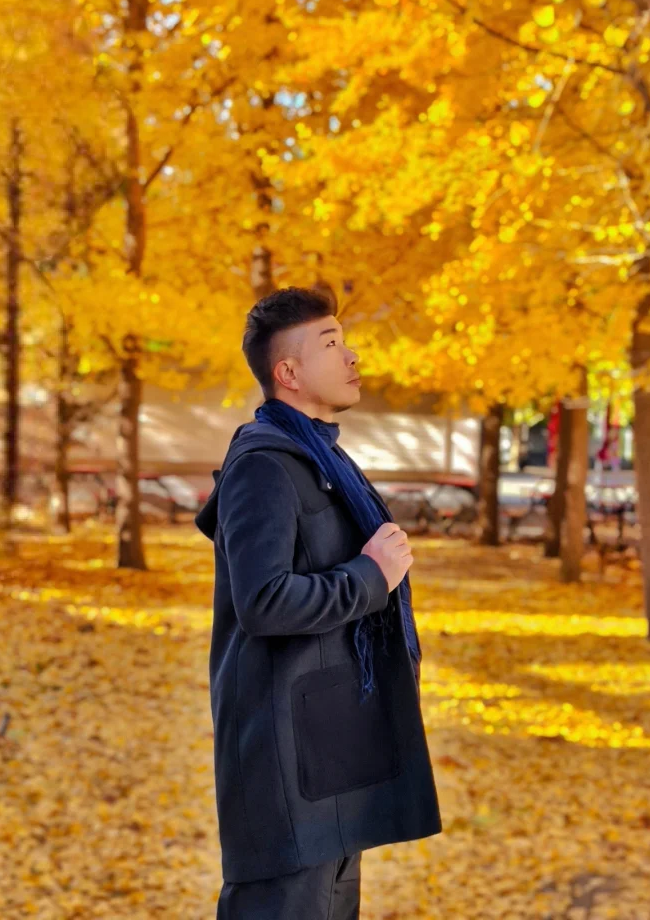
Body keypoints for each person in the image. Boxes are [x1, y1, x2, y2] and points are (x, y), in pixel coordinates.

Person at [195, 286, 442, 919]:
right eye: (331, 344)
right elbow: (263, 601)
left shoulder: (322, 458)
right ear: (289, 373)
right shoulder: (265, 465)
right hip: (282, 758)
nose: (352, 355)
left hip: (330, 747)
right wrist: (370, 576)